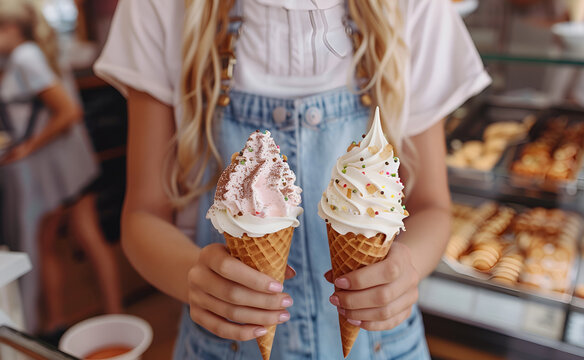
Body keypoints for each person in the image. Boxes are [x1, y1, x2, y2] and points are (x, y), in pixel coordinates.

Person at [95, 0, 490, 358]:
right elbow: (142, 216)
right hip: (223, 347)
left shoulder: (411, 7)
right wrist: (193, 278)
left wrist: (407, 269)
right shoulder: (161, 8)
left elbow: (432, 207)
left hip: (383, 346)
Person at [0, 0, 122, 335]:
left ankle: (52, 323)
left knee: (47, 240)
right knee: (86, 236)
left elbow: (68, 112)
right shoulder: (36, 51)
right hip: (73, 163)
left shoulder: (25, 56)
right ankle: (109, 316)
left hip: (60, 169)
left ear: (9, 29)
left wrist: (27, 147)